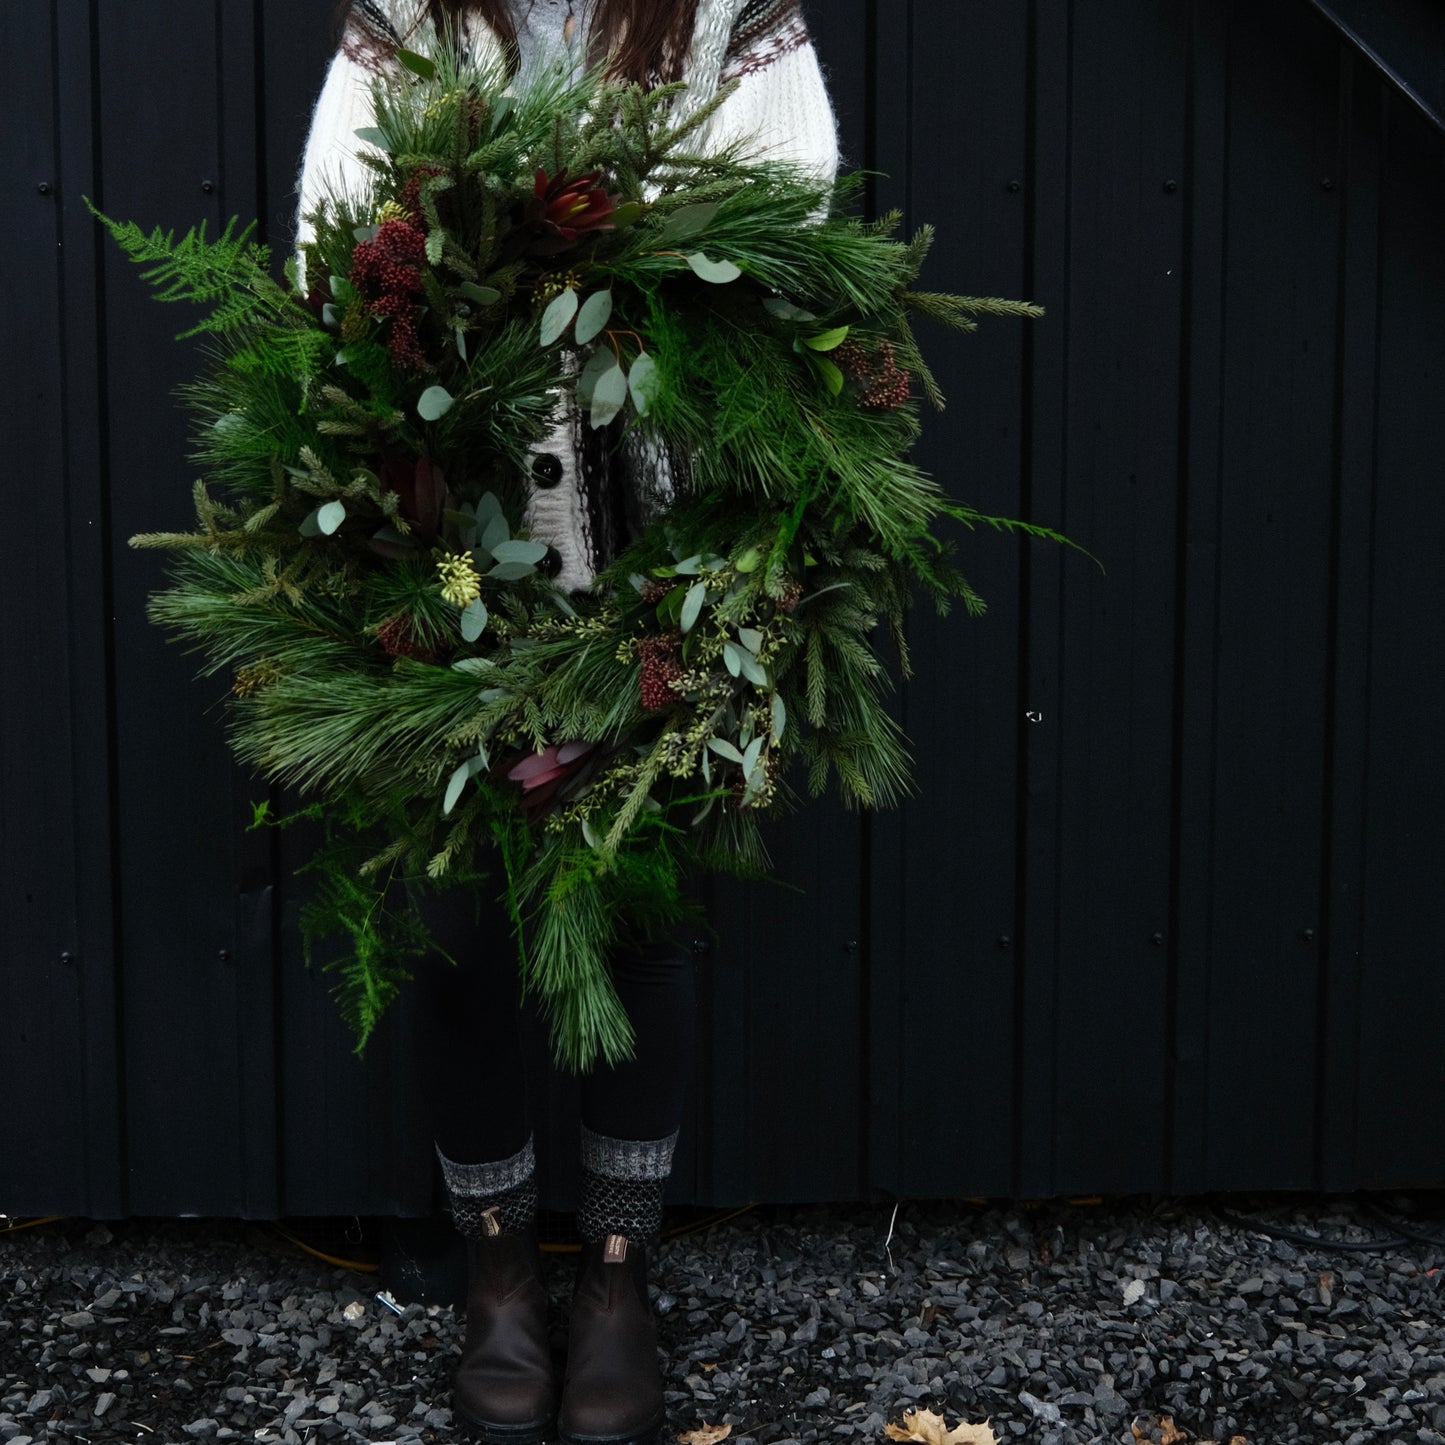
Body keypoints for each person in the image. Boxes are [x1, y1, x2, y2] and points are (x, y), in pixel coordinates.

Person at [296, 3, 839, 1442]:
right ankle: (493, 1272)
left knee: (641, 913)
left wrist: (602, 258)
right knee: (463, 918)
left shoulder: (720, 13)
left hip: (659, 547)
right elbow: (332, 223)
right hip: (454, 542)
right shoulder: (416, 13)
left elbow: (789, 222)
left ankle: (611, 1277)